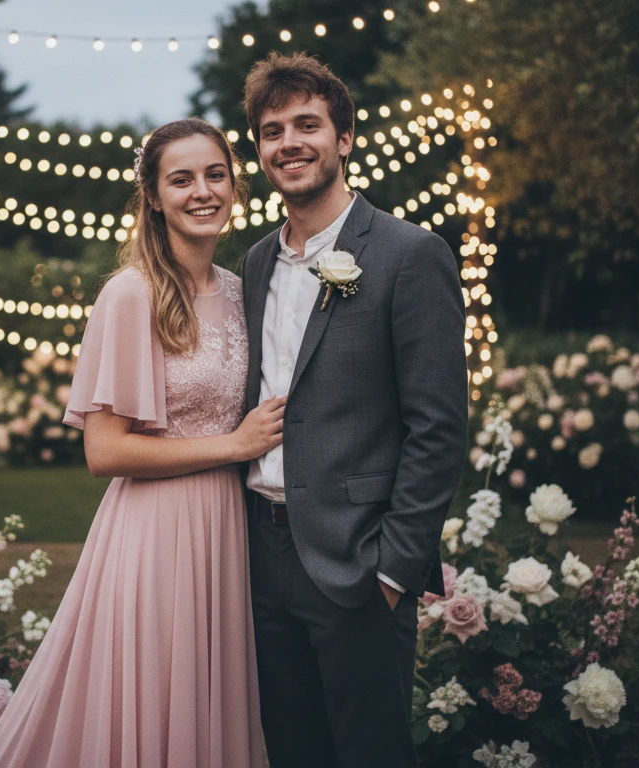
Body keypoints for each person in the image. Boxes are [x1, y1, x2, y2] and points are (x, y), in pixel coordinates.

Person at [0, 117, 281, 768]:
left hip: (228, 530)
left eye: (215, 174)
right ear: (153, 196)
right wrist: (234, 446)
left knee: (210, 703)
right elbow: (104, 452)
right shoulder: (130, 294)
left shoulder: (243, 289)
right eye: (181, 179)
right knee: (151, 702)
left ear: (236, 185)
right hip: (154, 534)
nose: (202, 191)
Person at [239, 53, 469, 767]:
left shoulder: (409, 254)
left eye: (307, 123)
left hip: (358, 564)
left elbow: (438, 428)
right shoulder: (252, 264)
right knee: (292, 752)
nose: (289, 142)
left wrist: (394, 573)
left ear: (343, 138)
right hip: (258, 555)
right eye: (272, 131)